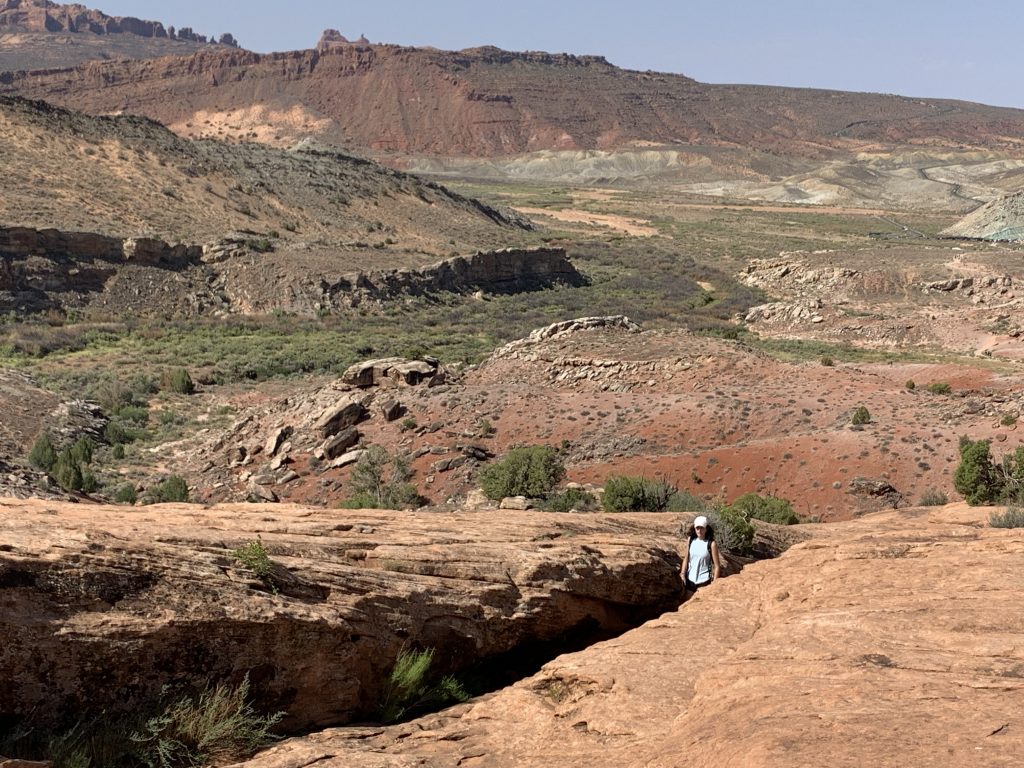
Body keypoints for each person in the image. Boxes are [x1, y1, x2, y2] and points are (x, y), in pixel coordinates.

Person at [680, 515, 721, 598]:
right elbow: (686, 558)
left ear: (706, 529)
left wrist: (714, 585)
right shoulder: (691, 540)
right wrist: (682, 573)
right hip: (690, 580)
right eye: (697, 528)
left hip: (704, 581)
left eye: (702, 528)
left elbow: (717, 566)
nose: (699, 530)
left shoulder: (711, 544)